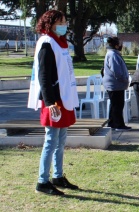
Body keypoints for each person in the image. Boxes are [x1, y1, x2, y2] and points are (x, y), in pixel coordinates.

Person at [28, 10, 79, 196]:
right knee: (51, 140)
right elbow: (44, 76)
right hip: (54, 101)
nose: (64, 24)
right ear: (50, 23)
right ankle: (43, 181)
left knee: (61, 139)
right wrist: (49, 102)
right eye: (61, 21)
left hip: (63, 98)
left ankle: (57, 176)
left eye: (65, 21)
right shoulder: (47, 43)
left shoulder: (61, 43)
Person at [103, 37, 131, 131]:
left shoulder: (112, 54)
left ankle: (112, 123)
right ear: (116, 45)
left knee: (115, 104)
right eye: (119, 44)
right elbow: (116, 71)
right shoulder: (112, 55)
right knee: (118, 105)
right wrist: (124, 79)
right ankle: (119, 125)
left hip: (115, 84)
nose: (121, 45)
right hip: (115, 85)